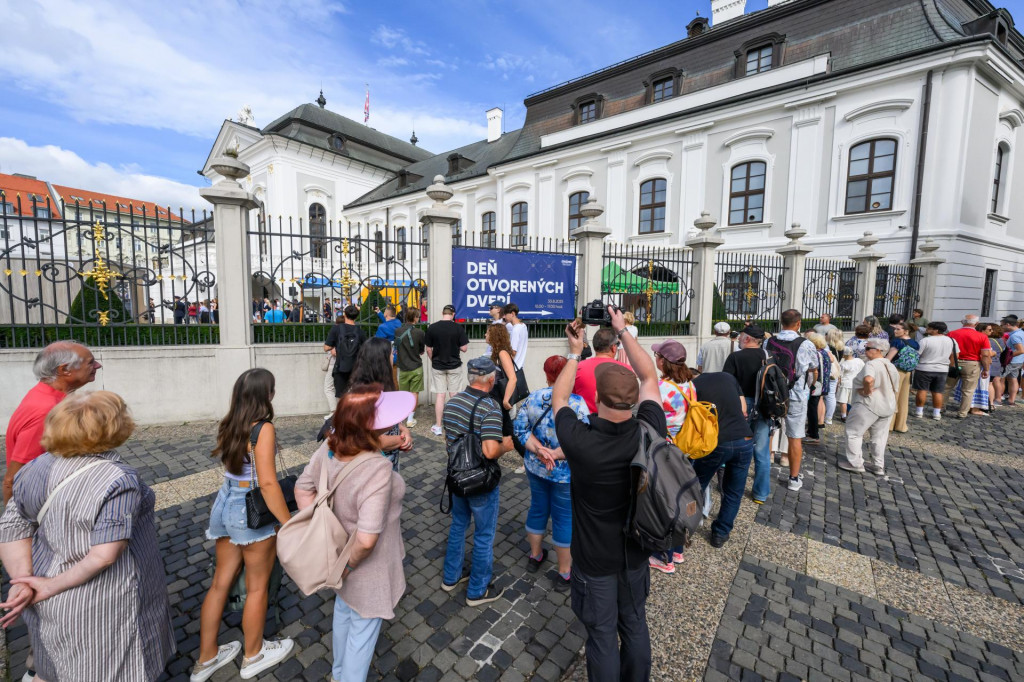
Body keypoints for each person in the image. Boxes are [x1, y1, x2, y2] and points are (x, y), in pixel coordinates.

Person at [0, 392, 175, 682]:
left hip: (48, 600)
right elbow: (104, 555)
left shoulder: (32, 468)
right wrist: (46, 586)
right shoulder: (118, 478)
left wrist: (23, 580)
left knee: (55, 669)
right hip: (106, 605)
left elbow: (11, 529)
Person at [554, 306, 661, 682]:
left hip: (594, 559)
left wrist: (573, 351)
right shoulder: (650, 428)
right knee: (634, 625)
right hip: (635, 551)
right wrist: (624, 330)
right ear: (635, 402)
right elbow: (648, 373)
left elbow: (559, 400)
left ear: (598, 398)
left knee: (601, 636)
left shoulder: (581, 441)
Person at [294, 386, 412, 682]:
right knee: (362, 631)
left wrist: (324, 532)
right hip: (365, 567)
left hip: (337, 557)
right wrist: (346, 565)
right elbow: (366, 539)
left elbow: (302, 488)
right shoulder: (376, 469)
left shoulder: (330, 447)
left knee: (344, 612)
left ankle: (337, 674)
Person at [194, 369, 294, 681]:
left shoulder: (230, 423)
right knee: (257, 587)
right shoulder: (263, 429)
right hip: (249, 512)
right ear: (267, 395)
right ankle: (253, 655)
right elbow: (267, 482)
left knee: (219, 584)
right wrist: (288, 522)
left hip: (225, 503)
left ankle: (206, 658)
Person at [440, 357, 514, 606]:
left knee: (458, 526)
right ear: (491, 380)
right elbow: (491, 450)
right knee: (483, 535)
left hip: (457, 477)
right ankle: (477, 590)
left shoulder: (452, 403)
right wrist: (507, 445)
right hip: (481, 481)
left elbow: (449, 443)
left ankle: (450, 578)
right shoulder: (490, 407)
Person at [513, 356, 589, 590]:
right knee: (564, 518)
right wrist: (555, 454)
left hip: (536, 466)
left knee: (537, 507)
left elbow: (520, 429)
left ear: (546, 375)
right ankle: (565, 572)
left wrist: (540, 451)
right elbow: (584, 439)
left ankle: (535, 555)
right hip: (565, 472)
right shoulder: (577, 404)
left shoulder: (533, 398)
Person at [5, 341, 102, 503]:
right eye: (90, 363)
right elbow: (15, 478)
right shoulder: (47, 410)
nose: (98, 366)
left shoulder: (50, 396)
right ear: (64, 370)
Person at [692, 370, 753, 548]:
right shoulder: (729, 377)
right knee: (733, 491)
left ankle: (686, 524)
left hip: (717, 443)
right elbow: (744, 409)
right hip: (744, 440)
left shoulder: (694, 386)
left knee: (696, 485)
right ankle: (720, 533)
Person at [648, 338, 695, 574]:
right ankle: (677, 550)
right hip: (685, 448)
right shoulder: (689, 383)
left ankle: (662, 557)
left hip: (665, 451)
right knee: (682, 497)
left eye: (657, 356)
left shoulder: (660, 387)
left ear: (664, 362)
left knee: (664, 502)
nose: (655, 358)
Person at [765, 309, 818, 492]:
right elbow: (813, 369)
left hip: (772, 393)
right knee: (795, 437)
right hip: (795, 394)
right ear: (798, 324)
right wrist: (810, 385)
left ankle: (764, 469)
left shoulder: (769, 341)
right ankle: (794, 478)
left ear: (781, 322)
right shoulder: (806, 344)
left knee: (768, 431)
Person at [723, 325, 773, 504]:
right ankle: (760, 494)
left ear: (746, 339)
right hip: (764, 405)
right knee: (761, 451)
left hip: (741, 404)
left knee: (736, 447)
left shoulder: (735, 357)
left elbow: (727, 383)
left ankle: (732, 487)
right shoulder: (768, 356)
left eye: (741, 337)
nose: (739, 340)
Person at [348, 339, 414, 470]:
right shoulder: (362, 396)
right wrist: (403, 440)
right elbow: (370, 438)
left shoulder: (382, 387)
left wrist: (404, 430)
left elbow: (389, 420)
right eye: (391, 353)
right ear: (381, 360)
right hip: (374, 466)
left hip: (389, 459)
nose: (393, 356)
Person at [839, 339, 899, 476]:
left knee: (853, 432)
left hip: (868, 404)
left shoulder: (872, 364)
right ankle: (878, 465)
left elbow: (868, 379)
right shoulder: (890, 365)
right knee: (879, 437)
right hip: (887, 405)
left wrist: (866, 391)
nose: (865, 351)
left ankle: (855, 463)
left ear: (878, 350)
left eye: (867, 348)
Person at [425, 304, 470, 437]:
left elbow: (428, 348)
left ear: (442, 313)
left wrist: (433, 360)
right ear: (453, 314)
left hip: (438, 366)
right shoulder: (458, 328)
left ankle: (438, 426)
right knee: (454, 394)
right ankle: (455, 425)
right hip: (454, 365)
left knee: (440, 395)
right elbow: (464, 348)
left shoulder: (432, 327)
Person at [572, 327, 631, 413]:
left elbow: (571, 397)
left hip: (585, 422)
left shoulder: (577, 368)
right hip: (614, 422)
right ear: (614, 347)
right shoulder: (626, 370)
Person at [486, 323, 524, 457]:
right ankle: (490, 453)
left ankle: (527, 457)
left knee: (508, 430)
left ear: (495, 336)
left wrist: (506, 400)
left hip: (500, 398)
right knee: (502, 429)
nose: (485, 335)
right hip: (495, 396)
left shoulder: (502, 353)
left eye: (488, 333)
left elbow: (512, 378)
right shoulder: (497, 352)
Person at [948, 314, 992, 419]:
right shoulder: (982, 336)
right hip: (972, 364)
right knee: (968, 390)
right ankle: (962, 413)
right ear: (976, 324)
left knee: (947, 387)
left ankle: (940, 408)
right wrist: (986, 369)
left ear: (962, 322)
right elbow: (985, 354)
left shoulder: (952, 333)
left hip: (954, 362)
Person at [913, 321, 956, 421]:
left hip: (924, 368)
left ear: (936, 330)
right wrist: (950, 365)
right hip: (942, 369)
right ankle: (936, 413)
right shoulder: (951, 340)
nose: (926, 329)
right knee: (938, 392)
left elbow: (917, 354)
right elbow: (955, 355)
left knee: (922, 390)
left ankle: (919, 411)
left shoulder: (925, 340)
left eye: (929, 328)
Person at [326, 305, 367, 398]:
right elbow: (366, 349)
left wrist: (335, 346)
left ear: (344, 314)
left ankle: (344, 412)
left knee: (341, 396)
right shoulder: (360, 332)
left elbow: (326, 347)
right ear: (356, 316)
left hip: (341, 367)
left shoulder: (336, 329)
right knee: (356, 395)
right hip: (356, 368)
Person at [395, 308, 426, 427]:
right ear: (415, 318)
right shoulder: (420, 332)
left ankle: (402, 417)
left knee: (404, 393)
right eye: (418, 317)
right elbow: (421, 351)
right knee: (414, 393)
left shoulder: (397, 331)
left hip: (403, 367)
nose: (419, 319)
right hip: (416, 367)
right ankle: (410, 419)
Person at [885, 321, 919, 432]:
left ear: (906, 330)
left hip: (896, 370)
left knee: (893, 396)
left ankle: (889, 425)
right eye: (895, 329)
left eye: (898, 329)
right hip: (908, 372)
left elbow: (888, 359)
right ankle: (901, 425)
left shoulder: (897, 342)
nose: (895, 331)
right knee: (903, 399)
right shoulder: (914, 343)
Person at [322, 314, 343, 413]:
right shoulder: (350, 332)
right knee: (344, 388)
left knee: (328, 387)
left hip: (334, 363)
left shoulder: (334, 331)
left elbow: (326, 347)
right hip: (347, 364)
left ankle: (334, 412)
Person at [836, 348, 864, 422]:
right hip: (855, 383)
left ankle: (844, 416)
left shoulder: (843, 364)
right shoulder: (859, 361)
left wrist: (837, 384)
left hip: (845, 383)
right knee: (853, 401)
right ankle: (853, 416)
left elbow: (840, 376)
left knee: (843, 401)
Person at [1001, 317, 1024, 406]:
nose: (1002, 327)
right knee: (1013, 379)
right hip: (1018, 361)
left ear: (1008, 324)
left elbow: (1020, 350)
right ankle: (1011, 400)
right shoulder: (1021, 333)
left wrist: (1006, 357)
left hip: (1011, 361)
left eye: (1003, 325)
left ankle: (998, 398)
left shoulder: (1015, 336)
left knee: (999, 379)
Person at [504, 302, 529, 370]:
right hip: (520, 366)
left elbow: (513, 352)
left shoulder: (515, 330)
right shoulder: (523, 326)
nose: (504, 317)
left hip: (513, 368)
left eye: (505, 314)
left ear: (512, 314)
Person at [988, 324, 1006, 411]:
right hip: (998, 362)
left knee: (990, 383)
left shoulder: (989, 340)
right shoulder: (1000, 340)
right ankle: (998, 398)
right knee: (997, 380)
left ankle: (992, 400)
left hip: (991, 362)